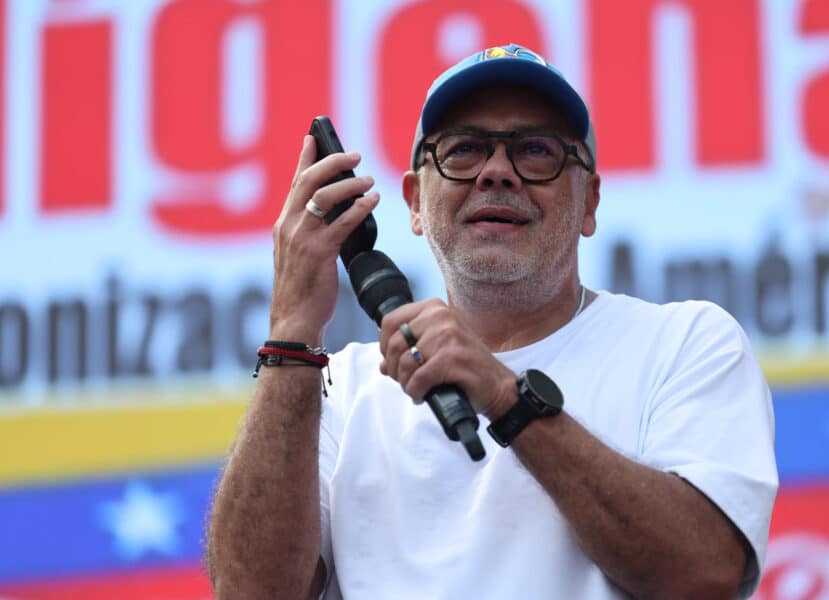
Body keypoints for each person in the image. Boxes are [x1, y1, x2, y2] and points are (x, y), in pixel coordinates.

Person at [206, 44, 778, 599]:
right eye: (462, 150)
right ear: (413, 204)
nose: (497, 173)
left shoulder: (685, 344)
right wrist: (292, 330)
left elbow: (705, 573)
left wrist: (506, 397)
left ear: (589, 205)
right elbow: (250, 593)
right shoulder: (339, 390)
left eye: (535, 151)